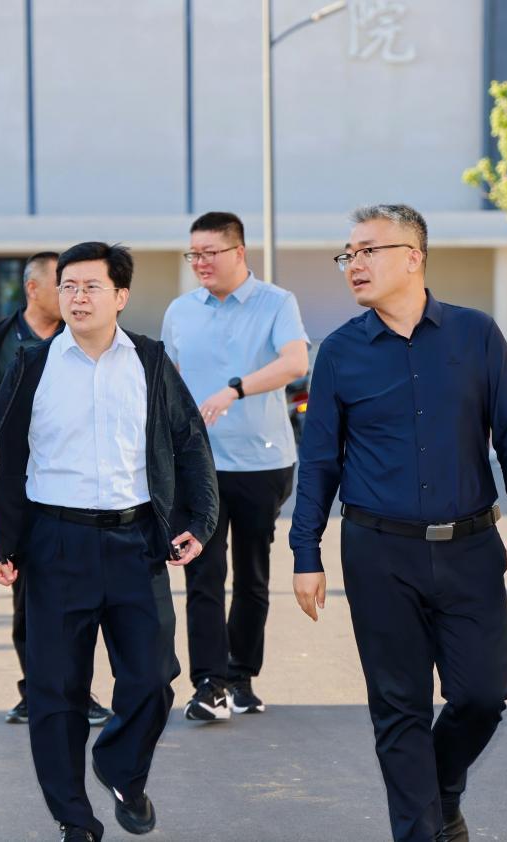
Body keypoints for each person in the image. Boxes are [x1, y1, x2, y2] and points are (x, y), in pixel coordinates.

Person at [289, 204, 507, 842]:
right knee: (398, 708)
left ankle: (442, 789)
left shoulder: (475, 334)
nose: (354, 264)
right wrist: (305, 553)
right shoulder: (339, 353)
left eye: (368, 251)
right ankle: (423, 829)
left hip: (470, 546)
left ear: (413, 257)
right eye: (348, 254)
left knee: (483, 693)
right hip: (378, 552)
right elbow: (319, 461)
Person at [0, 242, 218, 842]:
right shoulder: (32, 365)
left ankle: (122, 768)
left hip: (135, 540)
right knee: (56, 692)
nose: (77, 297)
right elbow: (1, 455)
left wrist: (200, 519)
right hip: (54, 544)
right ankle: (74, 819)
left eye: (91, 286)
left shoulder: (150, 360)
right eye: (68, 286)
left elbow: (190, 442)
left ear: (120, 296)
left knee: (153, 678)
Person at [160, 211, 309, 721]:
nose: (200, 262)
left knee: (251, 574)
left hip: (262, 462)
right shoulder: (180, 311)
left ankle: (241, 674)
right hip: (197, 467)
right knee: (202, 574)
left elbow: (296, 362)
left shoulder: (276, 303)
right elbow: (169, 379)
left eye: (210, 253)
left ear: (238, 252)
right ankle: (209, 684)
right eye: (193, 254)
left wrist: (235, 389)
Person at [0, 252, 113, 729]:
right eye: (63, 285)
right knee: (27, 599)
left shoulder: (81, 339)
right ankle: (35, 688)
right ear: (34, 289)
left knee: (79, 599)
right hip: (16, 491)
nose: (73, 295)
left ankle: (78, 691)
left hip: (72, 490)